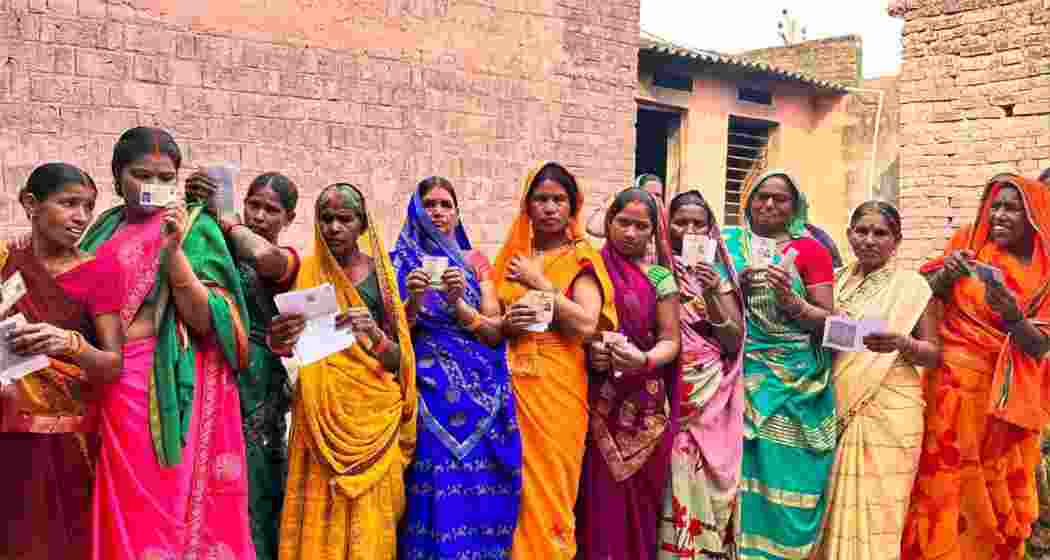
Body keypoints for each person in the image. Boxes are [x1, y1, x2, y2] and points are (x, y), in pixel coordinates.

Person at [80, 127, 256, 559]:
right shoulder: (102, 229)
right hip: (103, 383)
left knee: (160, 501)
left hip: (161, 389)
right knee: (112, 502)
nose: (153, 186)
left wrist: (174, 253)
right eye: (141, 175)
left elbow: (213, 321)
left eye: (165, 178)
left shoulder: (195, 227)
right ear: (116, 176)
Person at [902, 174, 1050, 560]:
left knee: (990, 486)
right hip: (947, 388)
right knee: (941, 479)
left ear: (1033, 215)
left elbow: (1039, 346)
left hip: (1002, 403)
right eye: (994, 206)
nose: (998, 215)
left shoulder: (1045, 270)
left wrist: (1013, 315)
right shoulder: (969, 241)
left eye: (1011, 208)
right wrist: (945, 275)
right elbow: (919, 295)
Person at [268, 183, 416, 560]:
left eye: (344, 219)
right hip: (319, 415)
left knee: (370, 525)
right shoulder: (307, 273)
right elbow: (287, 347)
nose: (334, 227)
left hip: (372, 418)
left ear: (362, 225)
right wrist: (280, 337)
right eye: (326, 219)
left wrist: (374, 335)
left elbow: (400, 361)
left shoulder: (382, 277)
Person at [391, 176, 522, 559]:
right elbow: (394, 333)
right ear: (416, 212)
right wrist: (415, 300)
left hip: (481, 390)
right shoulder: (399, 261)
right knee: (431, 476)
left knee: (481, 482)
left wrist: (458, 302)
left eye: (445, 205)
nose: (437, 212)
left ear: (457, 212)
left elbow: (494, 330)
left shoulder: (474, 261)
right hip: (426, 391)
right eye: (429, 205)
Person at [493, 161, 617, 560]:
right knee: (511, 489)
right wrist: (505, 323)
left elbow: (586, 324)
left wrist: (540, 283)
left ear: (572, 206)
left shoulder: (581, 258)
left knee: (549, 492)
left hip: (557, 388)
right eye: (541, 199)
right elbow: (492, 319)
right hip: (509, 383)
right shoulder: (514, 257)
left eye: (558, 200)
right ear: (527, 205)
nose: (549, 208)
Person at [0, 163, 125, 559]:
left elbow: (112, 365)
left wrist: (70, 343)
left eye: (88, 206)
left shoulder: (100, 271)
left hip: (66, 440)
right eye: (69, 203)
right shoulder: (5, 262)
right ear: (30, 204)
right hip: (6, 429)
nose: (81, 217)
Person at [817, 201, 942, 560]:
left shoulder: (912, 286)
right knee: (830, 508)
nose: (869, 240)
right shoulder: (833, 281)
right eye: (862, 231)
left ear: (896, 240)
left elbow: (933, 353)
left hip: (890, 410)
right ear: (849, 234)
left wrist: (902, 343)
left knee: (879, 514)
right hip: (837, 403)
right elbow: (818, 336)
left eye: (880, 233)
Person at [187, 171, 301, 560]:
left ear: (289, 218)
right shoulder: (220, 249)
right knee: (210, 476)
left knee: (257, 480)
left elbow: (264, 259)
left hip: (259, 385)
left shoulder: (287, 260)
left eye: (272, 210)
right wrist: (198, 204)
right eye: (254, 205)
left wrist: (229, 220)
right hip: (213, 373)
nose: (260, 216)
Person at [723, 169, 836, 560]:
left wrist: (792, 302)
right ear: (748, 201)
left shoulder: (811, 251)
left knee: (788, 474)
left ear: (795, 207)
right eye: (761, 196)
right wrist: (734, 284)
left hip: (797, 382)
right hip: (742, 373)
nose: (769, 204)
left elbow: (829, 321)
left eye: (780, 199)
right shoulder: (728, 244)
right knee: (742, 477)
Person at [578, 187, 682, 560]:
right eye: (623, 222)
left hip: (644, 411)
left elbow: (671, 341)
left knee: (641, 506)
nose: (631, 233)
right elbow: (576, 326)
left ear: (654, 232)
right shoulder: (590, 267)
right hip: (595, 403)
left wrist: (644, 359)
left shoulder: (660, 278)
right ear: (609, 222)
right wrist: (591, 350)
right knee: (595, 500)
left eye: (642, 226)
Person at [656, 190, 746, 560]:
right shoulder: (655, 269)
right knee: (670, 474)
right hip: (669, 388)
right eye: (681, 222)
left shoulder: (720, 277)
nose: (690, 231)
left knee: (710, 480)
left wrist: (710, 292)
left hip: (710, 393)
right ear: (667, 226)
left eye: (699, 223)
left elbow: (733, 341)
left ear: (710, 230)